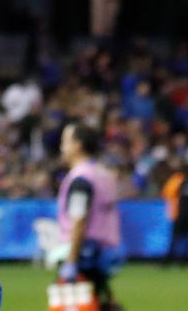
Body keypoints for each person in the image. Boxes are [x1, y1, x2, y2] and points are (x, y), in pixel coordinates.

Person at [57, 123, 123, 310]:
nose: (62, 147)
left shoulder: (81, 178)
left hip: (85, 254)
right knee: (103, 301)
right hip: (105, 251)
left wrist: (71, 261)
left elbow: (79, 220)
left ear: (78, 145)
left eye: (65, 141)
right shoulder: (103, 173)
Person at [162, 160, 188, 265]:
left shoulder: (177, 180)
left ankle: (169, 259)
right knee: (186, 237)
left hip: (178, 212)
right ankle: (185, 260)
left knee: (175, 237)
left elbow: (167, 193)